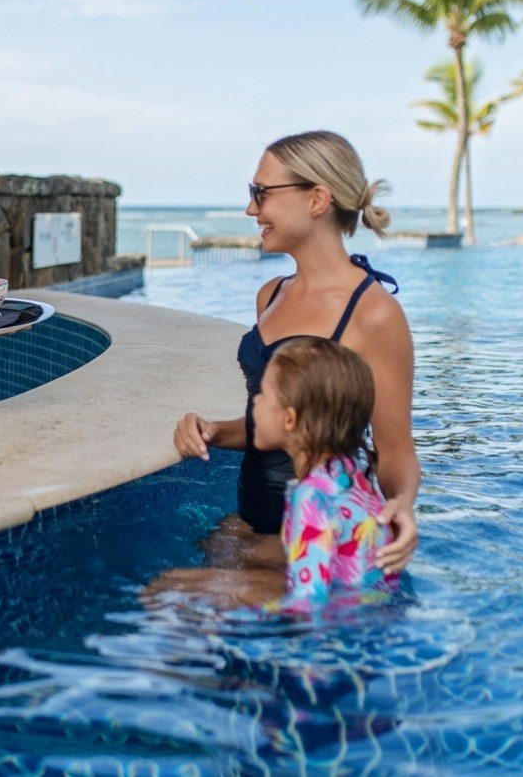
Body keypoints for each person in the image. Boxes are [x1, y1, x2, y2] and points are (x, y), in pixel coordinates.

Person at [173, 130, 420, 575]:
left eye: (261, 193)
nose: (252, 209)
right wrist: (213, 430)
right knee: (161, 607)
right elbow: (282, 424)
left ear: (317, 199)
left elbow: (396, 450)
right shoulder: (270, 296)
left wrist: (401, 506)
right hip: (252, 525)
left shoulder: (374, 314)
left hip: (315, 544)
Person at [148, 337, 396, 611]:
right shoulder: (349, 472)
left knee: (167, 585)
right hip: (375, 601)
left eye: (263, 395)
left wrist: (239, 615)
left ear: (289, 420)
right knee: (225, 540)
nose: (255, 403)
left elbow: (308, 603)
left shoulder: (311, 497)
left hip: (345, 619)